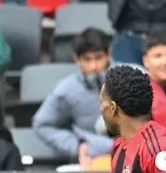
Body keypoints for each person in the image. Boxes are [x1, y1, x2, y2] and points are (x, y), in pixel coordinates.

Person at [33, 27, 114, 165]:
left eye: (99, 58)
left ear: (109, 54)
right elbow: (42, 125)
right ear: (77, 59)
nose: (93, 66)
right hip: (93, 158)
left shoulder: (132, 77)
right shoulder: (66, 90)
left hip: (134, 153)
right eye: (87, 59)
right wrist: (76, 147)